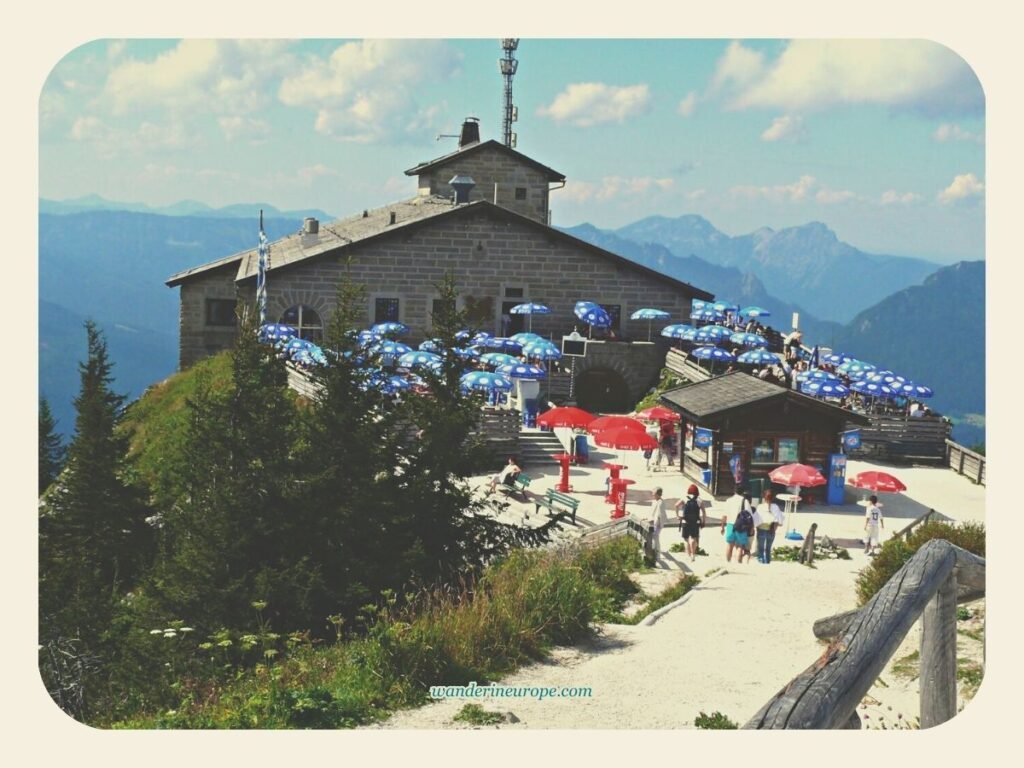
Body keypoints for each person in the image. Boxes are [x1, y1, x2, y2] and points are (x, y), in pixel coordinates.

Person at [674, 483, 706, 562]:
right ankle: (693, 554)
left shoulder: (684, 498)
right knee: (694, 538)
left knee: (686, 539)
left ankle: (688, 555)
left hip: (685, 521)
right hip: (695, 522)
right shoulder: (699, 500)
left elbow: (676, 505)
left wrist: (678, 516)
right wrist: (703, 522)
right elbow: (704, 512)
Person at [722, 487, 755, 563]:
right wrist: (751, 528)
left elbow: (724, 515)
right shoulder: (745, 501)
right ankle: (738, 563)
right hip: (741, 525)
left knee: (729, 545)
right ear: (742, 492)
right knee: (740, 546)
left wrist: (722, 526)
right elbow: (750, 516)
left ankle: (728, 561)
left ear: (734, 491)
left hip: (730, 524)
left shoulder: (729, 500)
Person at [754, 489, 785, 564]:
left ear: (764, 497)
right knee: (768, 549)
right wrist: (775, 527)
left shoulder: (760, 507)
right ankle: (767, 561)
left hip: (761, 529)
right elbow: (780, 521)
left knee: (760, 548)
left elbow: (756, 521)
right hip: (771, 530)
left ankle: (761, 561)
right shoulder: (776, 507)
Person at [648, 487, 668, 564]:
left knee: (655, 538)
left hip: (657, 524)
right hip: (653, 522)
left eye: (654, 493)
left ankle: (657, 554)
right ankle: (655, 553)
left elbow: (660, 515)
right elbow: (652, 512)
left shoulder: (660, 503)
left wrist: (656, 524)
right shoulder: (655, 501)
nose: (652, 494)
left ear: (657, 494)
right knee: (654, 538)